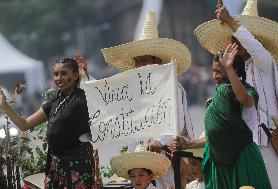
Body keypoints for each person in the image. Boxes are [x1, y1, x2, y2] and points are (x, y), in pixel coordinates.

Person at [194, 0, 278, 188]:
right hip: (239, 149)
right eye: (233, 39)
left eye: (240, 37)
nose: (235, 43)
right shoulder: (231, 76)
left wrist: (229, 20)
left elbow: (246, 98)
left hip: (265, 142)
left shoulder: (263, 62)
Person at [101, 11, 194, 189]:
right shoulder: (135, 91)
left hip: (165, 157)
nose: (140, 65)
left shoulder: (171, 86)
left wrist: (161, 141)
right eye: (138, 61)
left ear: (156, 62)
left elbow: (178, 120)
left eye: (144, 60)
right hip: (139, 159)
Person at [172, 43, 272, 189]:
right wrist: (188, 144)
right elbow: (215, 136)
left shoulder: (248, 91)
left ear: (234, 70)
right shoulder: (215, 101)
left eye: (219, 71)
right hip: (218, 164)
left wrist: (229, 68)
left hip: (241, 159)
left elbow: (244, 99)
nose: (214, 76)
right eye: (213, 71)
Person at [0, 58, 95, 188]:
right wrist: (4, 105)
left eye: (63, 73)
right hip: (56, 167)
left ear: (75, 75)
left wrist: (86, 76)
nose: (58, 78)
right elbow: (25, 125)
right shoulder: (54, 102)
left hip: (79, 167)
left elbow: (98, 93)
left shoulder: (82, 97)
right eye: (56, 74)